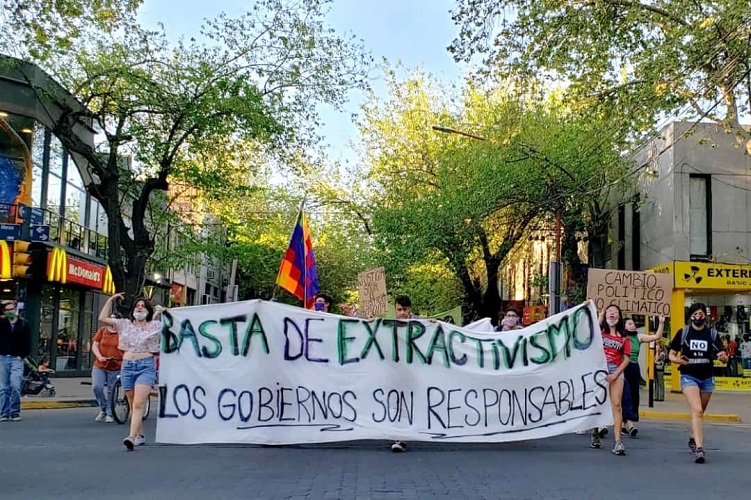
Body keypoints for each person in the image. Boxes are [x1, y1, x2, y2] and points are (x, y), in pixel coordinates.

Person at [98, 293, 163, 450]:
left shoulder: (156, 326)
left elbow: (176, 325)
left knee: (139, 402)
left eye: (142, 306)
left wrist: (165, 312)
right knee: (133, 404)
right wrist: (110, 300)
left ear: (147, 310)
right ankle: (139, 435)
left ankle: (131, 437)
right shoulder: (125, 324)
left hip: (146, 366)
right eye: (137, 306)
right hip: (127, 365)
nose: (139, 308)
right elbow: (103, 318)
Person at [668, 302, 727, 464]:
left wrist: (723, 357)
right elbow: (671, 354)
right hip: (688, 376)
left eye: (701, 314)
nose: (698, 317)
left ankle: (693, 437)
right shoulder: (684, 333)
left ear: (705, 316)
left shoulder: (712, 335)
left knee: (700, 412)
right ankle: (700, 449)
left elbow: (722, 354)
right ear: (690, 316)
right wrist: (677, 360)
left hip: (707, 377)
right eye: (695, 314)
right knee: (697, 410)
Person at [590, 304, 630, 456]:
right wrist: (599, 317)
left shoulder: (624, 337)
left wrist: (615, 374)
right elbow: (591, 334)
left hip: (616, 370)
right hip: (600, 369)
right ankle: (595, 431)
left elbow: (626, 359)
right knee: (598, 402)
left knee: (616, 405)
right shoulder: (600, 333)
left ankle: (618, 441)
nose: (612, 314)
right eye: (609, 311)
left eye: (615, 312)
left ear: (619, 316)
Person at [621, 315, 665, 437]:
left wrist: (661, 323)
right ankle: (629, 424)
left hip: (634, 368)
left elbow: (656, 336)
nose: (633, 325)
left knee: (634, 395)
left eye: (633, 323)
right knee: (626, 395)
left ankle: (624, 424)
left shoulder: (638, 337)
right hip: (622, 368)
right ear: (623, 326)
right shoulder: (620, 337)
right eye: (629, 324)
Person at [0, 300, 31, 422]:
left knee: (15, 384)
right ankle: (4, 412)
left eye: (11, 309)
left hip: (16, 358)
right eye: (7, 310)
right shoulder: (2, 323)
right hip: (3, 357)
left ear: (16, 309)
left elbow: (28, 343)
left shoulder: (23, 324)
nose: (10, 312)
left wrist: (21, 356)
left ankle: (14, 411)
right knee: (3, 387)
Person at [91, 312, 124, 423]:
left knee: (112, 390)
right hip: (100, 364)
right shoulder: (102, 330)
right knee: (97, 387)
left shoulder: (122, 333)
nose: (111, 321)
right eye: (110, 318)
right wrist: (99, 356)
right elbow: (95, 345)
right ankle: (104, 408)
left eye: (114, 319)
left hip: (116, 365)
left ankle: (110, 413)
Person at [391, 295, 413, 453]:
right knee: (396, 404)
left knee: (406, 404)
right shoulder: (388, 326)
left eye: (405, 309)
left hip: (412, 374)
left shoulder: (419, 325)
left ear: (410, 309)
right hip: (393, 373)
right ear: (395, 309)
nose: (402, 313)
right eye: (399, 309)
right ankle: (399, 436)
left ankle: (401, 436)